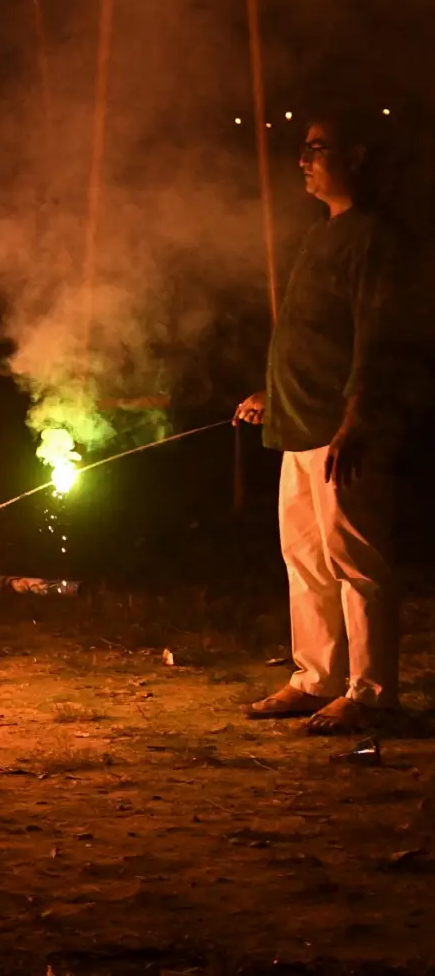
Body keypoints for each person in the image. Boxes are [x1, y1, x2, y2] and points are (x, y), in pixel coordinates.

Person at [235, 104, 405, 735]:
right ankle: (316, 678)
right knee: (305, 559)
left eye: (318, 148)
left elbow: (374, 338)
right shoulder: (321, 233)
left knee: (356, 562)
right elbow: (312, 334)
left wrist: (355, 419)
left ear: (356, 157)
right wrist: (274, 394)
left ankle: (372, 693)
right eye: (304, 148)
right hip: (300, 423)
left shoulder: (373, 239)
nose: (303, 160)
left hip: (340, 430)